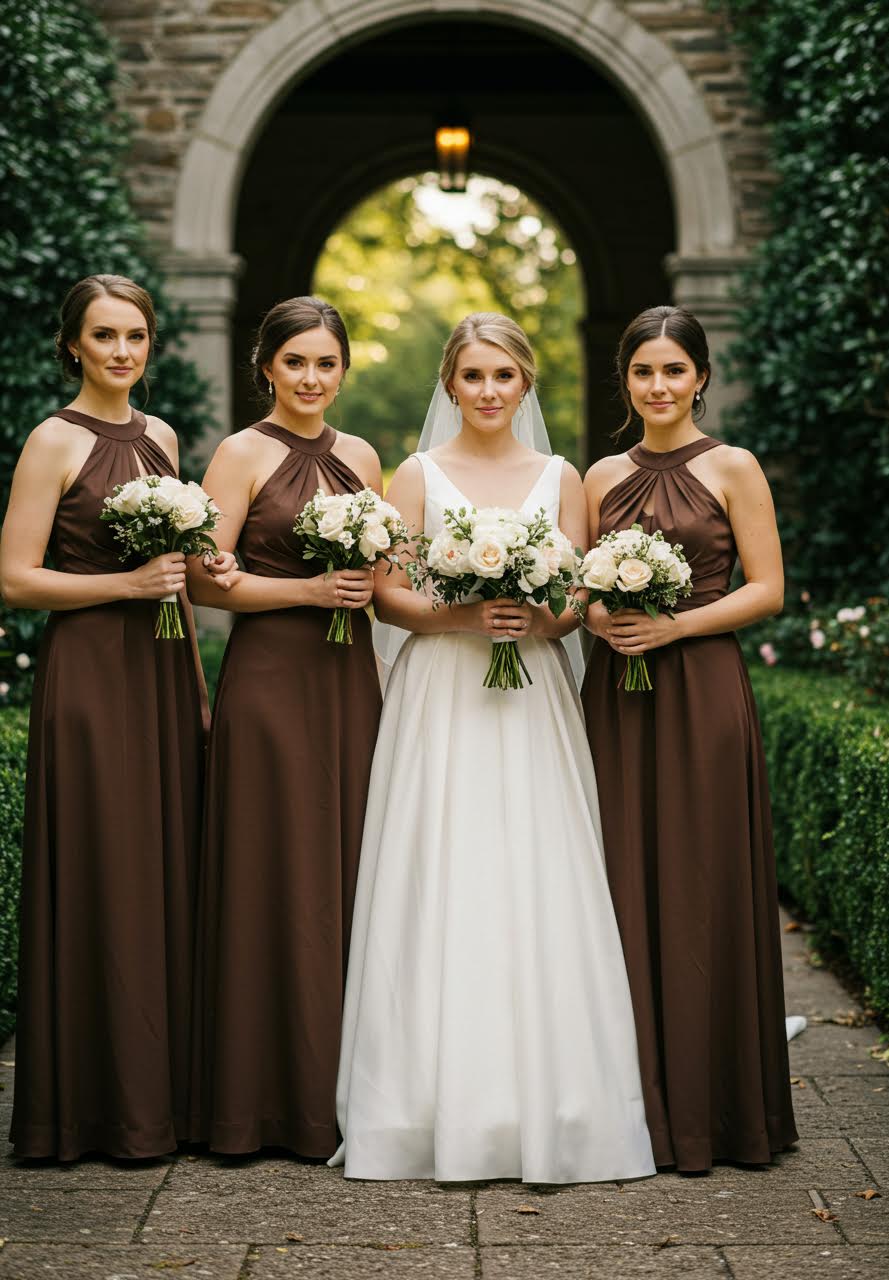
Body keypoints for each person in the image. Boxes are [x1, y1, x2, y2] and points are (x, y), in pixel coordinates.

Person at [330, 312, 655, 1184]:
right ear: (450, 383)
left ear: (526, 385)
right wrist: (461, 614)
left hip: (533, 694)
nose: (487, 392)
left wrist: (539, 616)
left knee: (536, 869)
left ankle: (557, 1104)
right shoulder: (417, 473)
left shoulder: (562, 476)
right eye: (472, 376)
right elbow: (385, 595)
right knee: (441, 869)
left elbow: (581, 592)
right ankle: (417, 1108)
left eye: (503, 377)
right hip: (441, 689)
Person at [0, 274, 231, 1160]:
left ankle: (160, 1099)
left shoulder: (163, 436)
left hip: (164, 667)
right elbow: (17, 579)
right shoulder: (52, 440)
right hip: (93, 673)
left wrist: (200, 689)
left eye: (135, 336)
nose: (123, 353)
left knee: (164, 866)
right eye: (105, 337)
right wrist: (124, 585)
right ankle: (87, 1111)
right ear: (74, 346)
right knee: (103, 866)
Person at [580, 304, 798, 1172]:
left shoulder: (733, 466)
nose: (659, 387)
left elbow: (769, 587)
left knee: (704, 878)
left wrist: (678, 626)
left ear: (700, 377)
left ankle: (718, 1111)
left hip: (702, 688)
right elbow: (578, 590)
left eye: (674, 371)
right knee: (620, 876)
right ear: (625, 381)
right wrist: (600, 614)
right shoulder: (598, 476)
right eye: (643, 372)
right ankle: (632, 1103)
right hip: (619, 695)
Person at [187, 296, 382, 1155]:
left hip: (348, 681)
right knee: (272, 872)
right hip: (268, 682)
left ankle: (348, 1091)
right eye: (296, 361)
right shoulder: (239, 453)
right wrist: (307, 591)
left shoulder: (364, 455)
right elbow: (203, 582)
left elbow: (384, 568)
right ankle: (259, 1098)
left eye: (326, 363)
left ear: (344, 370)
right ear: (265, 365)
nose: (311, 378)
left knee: (350, 867)